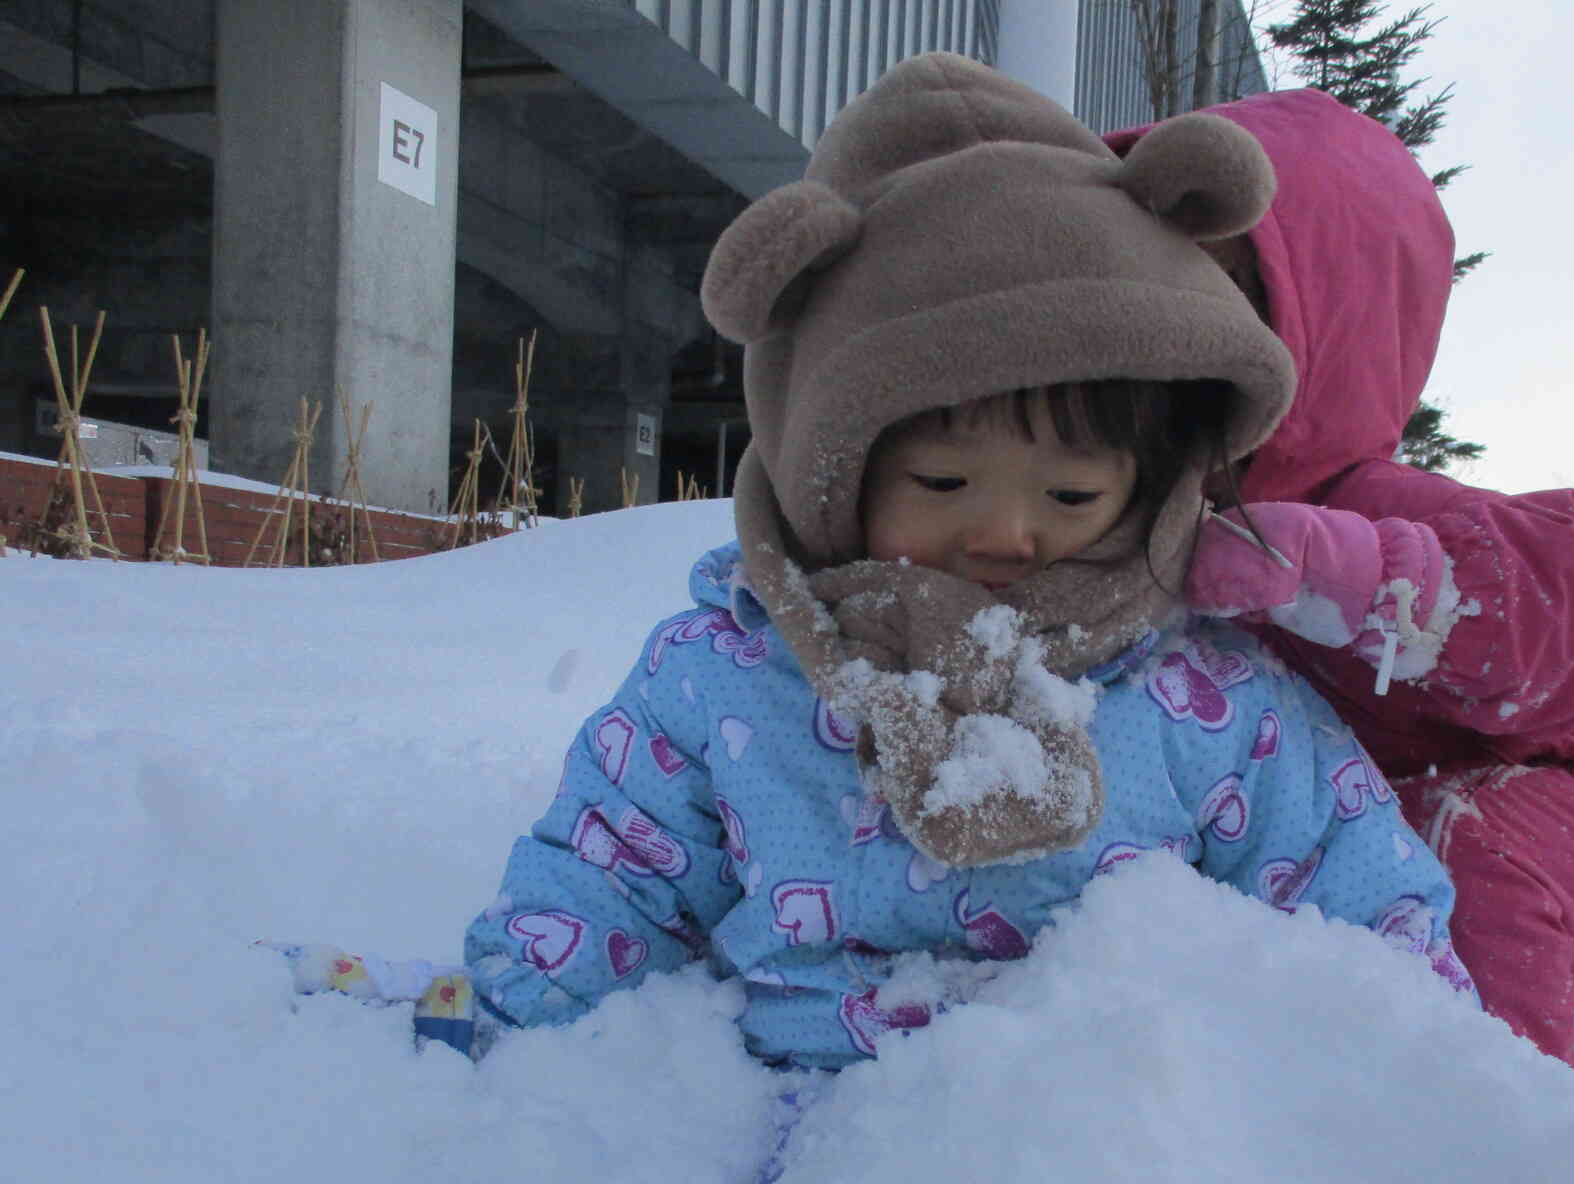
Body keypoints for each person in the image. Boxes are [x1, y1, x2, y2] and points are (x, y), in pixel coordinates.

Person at [332, 53, 1471, 1067]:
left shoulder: (1205, 700)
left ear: (1148, 484)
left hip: (1101, 1147)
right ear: (832, 472)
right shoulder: (728, 674)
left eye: (1070, 494)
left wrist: (1432, 1069)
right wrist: (515, 1010)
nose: (1004, 534)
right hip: (804, 1112)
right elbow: (615, 864)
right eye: (940, 484)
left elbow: (1347, 879)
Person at [1105, 92, 1574, 1069]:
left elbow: (1558, 623)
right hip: (1339, 819)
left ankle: (1500, 1123)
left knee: (1451, 860)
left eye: (1217, 298)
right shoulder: (1117, 505)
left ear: (1321, 325)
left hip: (1568, 805)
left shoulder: (1375, 500)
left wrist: (1347, 572)